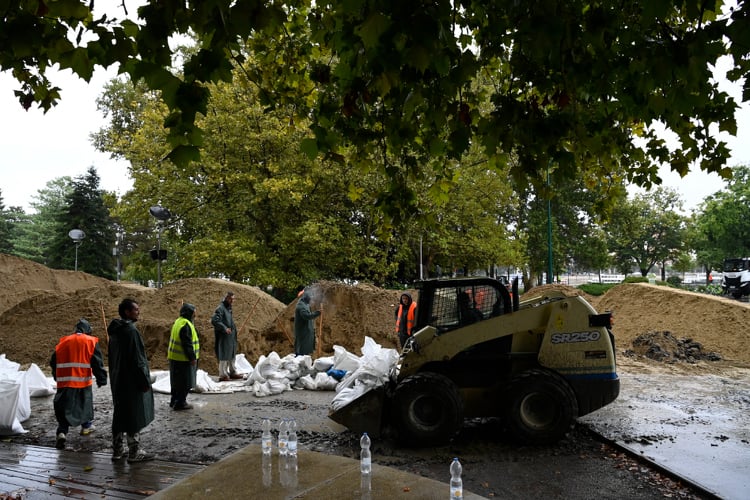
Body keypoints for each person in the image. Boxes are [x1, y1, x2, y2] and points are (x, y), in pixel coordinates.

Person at [107, 298, 155, 463]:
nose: (138, 312)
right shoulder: (130, 332)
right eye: (135, 309)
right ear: (127, 312)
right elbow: (138, 360)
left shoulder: (114, 332)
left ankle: (117, 450)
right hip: (131, 381)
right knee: (134, 414)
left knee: (119, 414)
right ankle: (134, 452)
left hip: (117, 379)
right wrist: (144, 381)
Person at [50, 318, 107, 450]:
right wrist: (101, 378)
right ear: (88, 330)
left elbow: (54, 360)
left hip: (65, 381)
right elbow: (97, 362)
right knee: (84, 404)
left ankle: (62, 432)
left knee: (65, 406)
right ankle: (86, 427)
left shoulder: (64, 341)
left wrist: (56, 376)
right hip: (82, 381)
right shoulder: (90, 341)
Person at [168, 303, 199, 410]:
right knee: (185, 382)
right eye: (194, 312)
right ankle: (181, 402)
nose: (195, 314)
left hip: (175, 358)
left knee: (176, 382)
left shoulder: (178, 322)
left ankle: (174, 400)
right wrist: (192, 358)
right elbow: (187, 344)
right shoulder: (186, 325)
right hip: (183, 359)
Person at [211, 291, 242, 381]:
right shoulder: (220, 308)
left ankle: (232, 372)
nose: (232, 301)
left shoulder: (228, 308)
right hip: (224, 336)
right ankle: (223, 374)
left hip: (231, 336)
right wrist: (224, 328)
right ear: (226, 298)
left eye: (233, 299)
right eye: (230, 299)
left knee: (232, 354)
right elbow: (215, 320)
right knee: (224, 355)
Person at [294, 291, 321, 355]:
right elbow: (307, 316)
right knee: (301, 350)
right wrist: (317, 313)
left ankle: (304, 362)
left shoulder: (306, 304)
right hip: (303, 332)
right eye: (310, 298)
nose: (310, 300)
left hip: (306, 331)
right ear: (306, 298)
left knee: (305, 351)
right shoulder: (301, 306)